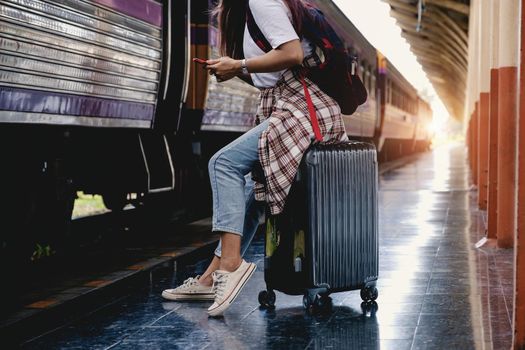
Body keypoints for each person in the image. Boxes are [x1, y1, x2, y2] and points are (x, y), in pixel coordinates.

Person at [162, 0, 348, 317]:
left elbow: (292, 53)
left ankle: (231, 266)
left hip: (302, 108)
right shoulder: (250, 9)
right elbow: (276, 71)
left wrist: (239, 66)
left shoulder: (261, 1)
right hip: (293, 105)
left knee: (223, 163)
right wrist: (234, 70)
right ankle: (209, 280)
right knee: (250, 191)